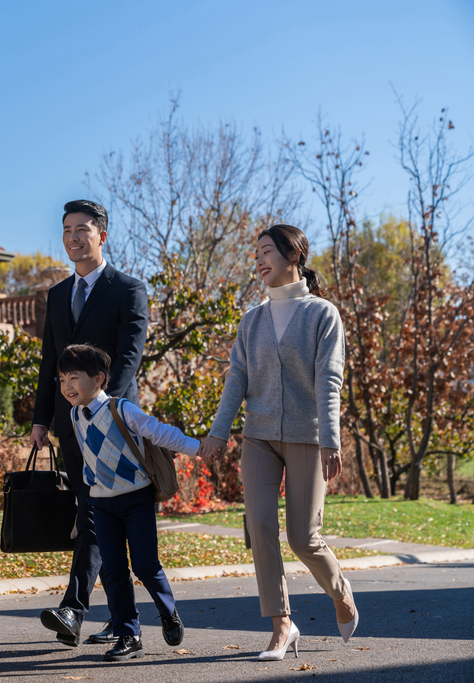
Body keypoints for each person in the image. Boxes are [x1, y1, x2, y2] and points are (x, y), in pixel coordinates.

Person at [199, 224, 359, 661]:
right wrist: (218, 432)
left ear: (294, 255)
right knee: (261, 529)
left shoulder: (323, 315)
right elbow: (238, 380)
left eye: (266, 251)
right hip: (259, 437)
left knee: (303, 537)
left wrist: (331, 440)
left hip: (308, 437)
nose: (259, 260)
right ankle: (281, 626)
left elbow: (329, 380)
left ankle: (340, 592)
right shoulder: (252, 320)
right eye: (256, 254)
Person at [31, 199, 149, 647]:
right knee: (95, 514)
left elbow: (129, 356)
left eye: (82, 229)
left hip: (114, 424)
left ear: (102, 235)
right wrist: (42, 417)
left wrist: (103, 405)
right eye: (66, 230)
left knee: (98, 515)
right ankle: (120, 619)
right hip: (69, 424)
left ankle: (74, 609)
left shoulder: (128, 289)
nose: (73, 237)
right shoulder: (58, 294)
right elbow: (49, 362)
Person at [58, 343, 196, 661]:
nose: (67, 386)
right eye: (63, 379)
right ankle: (129, 635)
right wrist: (86, 502)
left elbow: (160, 433)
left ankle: (168, 612)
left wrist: (197, 447)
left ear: (99, 379)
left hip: (136, 500)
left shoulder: (122, 409)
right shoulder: (75, 414)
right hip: (102, 504)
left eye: (74, 378)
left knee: (146, 566)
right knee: (115, 572)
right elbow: (90, 459)